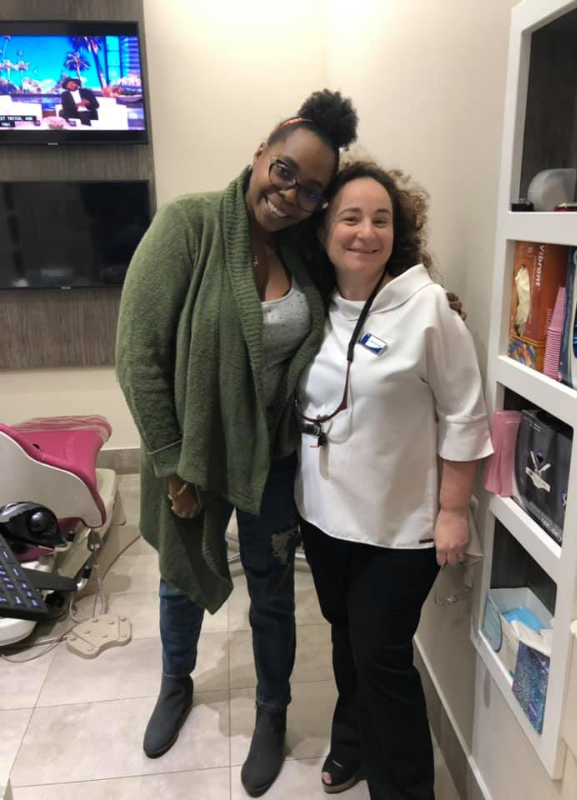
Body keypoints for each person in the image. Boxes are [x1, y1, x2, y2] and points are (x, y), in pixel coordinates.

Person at [116, 90, 359, 797]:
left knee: (274, 587)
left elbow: (358, 273)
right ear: (261, 153)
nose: (291, 196)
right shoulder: (187, 225)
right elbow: (137, 356)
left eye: (311, 191)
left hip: (274, 453)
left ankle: (272, 713)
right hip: (193, 453)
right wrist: (169, 465)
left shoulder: (301, 248)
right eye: (285, 172)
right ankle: (174, 682)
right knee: (180, 574)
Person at [295, 160, 493, 799]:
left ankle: (405, 789)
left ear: (397, 232)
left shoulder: (427, 308)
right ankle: (350, 741)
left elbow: (466, 413)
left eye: (381, 219)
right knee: (346, 635)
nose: (365, 231)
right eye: (350, 217)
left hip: (400, 526)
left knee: (382, 656)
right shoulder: (312, 306)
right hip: (324, 517)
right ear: (325, 227)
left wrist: (454, 511)